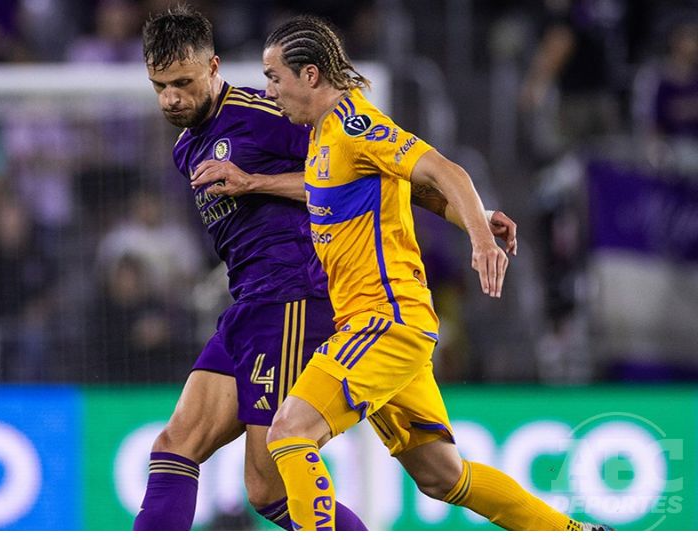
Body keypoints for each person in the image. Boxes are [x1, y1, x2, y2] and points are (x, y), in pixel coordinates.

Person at [135, 6, 518, 531]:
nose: (171, 98)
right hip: (248, 305)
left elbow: (370, 173)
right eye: (160, 86)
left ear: (213, 66)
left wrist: (467, 217)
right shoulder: (186, 148)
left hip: (295, 298)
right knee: (174, 446)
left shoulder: (267, 114)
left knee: (269, 485)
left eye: (182, 82)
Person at [259, 16, 609, 531]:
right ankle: (572, 533)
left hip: (384, 323)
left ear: (310, 75)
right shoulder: (322, 137)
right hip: (384, 327)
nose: (270, 90)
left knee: (289, 432)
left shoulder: (357, 126)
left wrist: (480, 237)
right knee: (442, 477)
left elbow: (446, 171)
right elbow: (404, 190)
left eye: (274, 77)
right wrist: (251, 182)